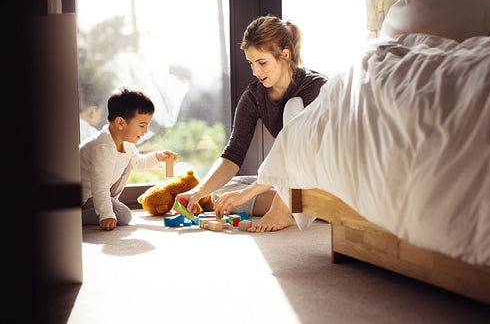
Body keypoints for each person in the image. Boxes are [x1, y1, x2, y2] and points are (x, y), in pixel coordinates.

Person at [176, 16, 328, 232]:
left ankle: (283, 208)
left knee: (293, 107)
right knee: (223, 192)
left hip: (324, 173)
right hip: (295, 180)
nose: (256, 72)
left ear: (285, 54)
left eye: (262, 63)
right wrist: (198, 191)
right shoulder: (254, 95)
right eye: (251, 63)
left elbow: (303, 153)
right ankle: (304, 205)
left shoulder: (316, 88)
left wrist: (248, 194)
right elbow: (233, 154)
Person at [80, 85, 178, 231]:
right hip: (85, 197)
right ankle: (76, 215)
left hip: (98, 194)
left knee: (129, 163)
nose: (145, 131)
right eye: (142, 125)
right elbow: (99, 186)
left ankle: (108, 204)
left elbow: (138, 164)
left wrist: (158, 157)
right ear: (120, 123)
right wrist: (106, 214)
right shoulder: (103, 146)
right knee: (124, 215)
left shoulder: (126, 143)